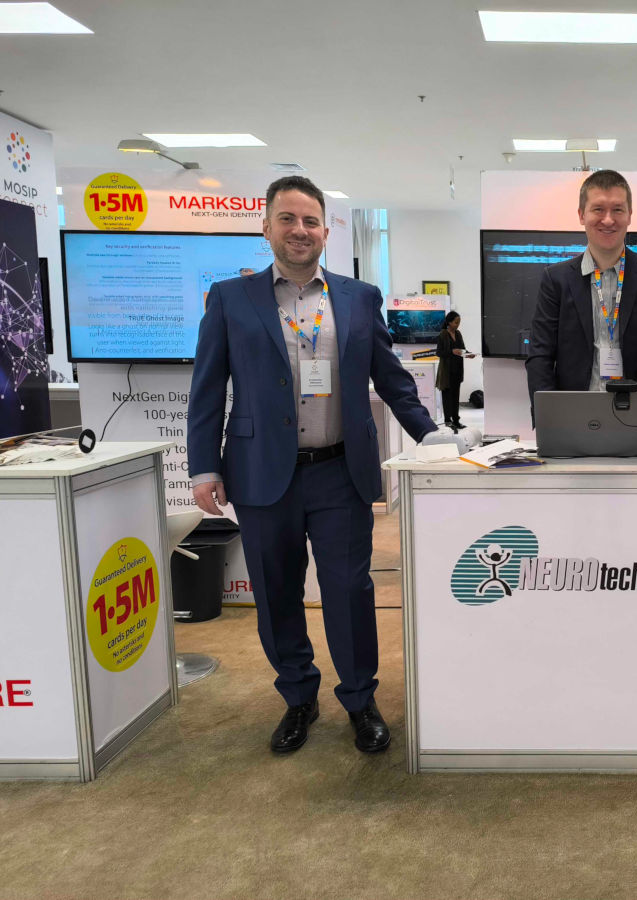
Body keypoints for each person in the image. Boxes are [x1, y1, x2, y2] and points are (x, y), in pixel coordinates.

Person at [188, 175, 452, 755]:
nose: (299, 230)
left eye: (310, 221)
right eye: (287, 219)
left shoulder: (359, 297)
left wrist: (432, 435)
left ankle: (360, 699)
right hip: (261, 474)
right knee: (276, 591)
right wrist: (204, 466)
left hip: (340, 471)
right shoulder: (230, 299)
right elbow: (207, 389)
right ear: (266, 227)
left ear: (326, 231)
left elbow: (391, 379)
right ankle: (298, 696)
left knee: (349, 590)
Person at [525, 169, 637, 438]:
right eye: (598, 209)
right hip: (570, 418)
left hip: (636, 419)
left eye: (618, 209)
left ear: (630, 215)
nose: (608, 219)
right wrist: (547, 419)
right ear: (581, 215)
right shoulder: (556, 279)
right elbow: (540, 355)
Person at [436, 310, 474, 430]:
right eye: (456, 322)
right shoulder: (443, 334)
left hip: (457, 370)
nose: (458, 325)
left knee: (455, 396)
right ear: (449, 322)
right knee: (447, 396)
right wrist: (452, 351)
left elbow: (462, 349)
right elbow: (439, 352)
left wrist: (468, 354)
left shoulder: (458, 334)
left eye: (459, 322)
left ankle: (456, 420)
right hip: (447, 371)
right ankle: (448, 421)